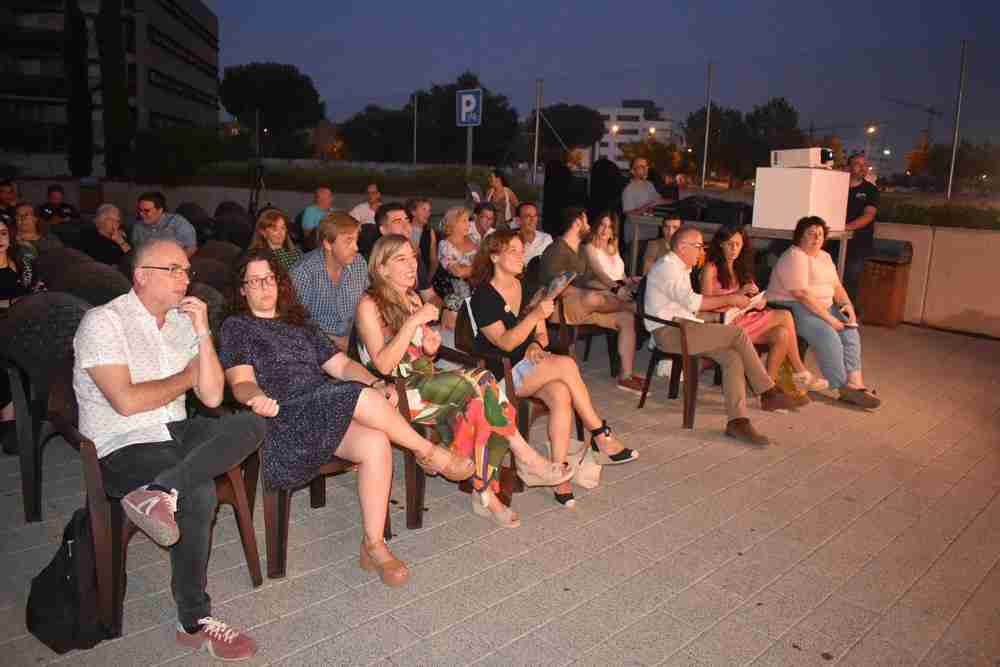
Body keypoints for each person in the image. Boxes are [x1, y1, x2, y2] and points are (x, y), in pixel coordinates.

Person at [220, 249, 473, 587]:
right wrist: (256, 398)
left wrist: (375, 381)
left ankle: (373, 545)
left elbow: (339, 365)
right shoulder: (238, 327)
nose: (265, 287)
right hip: (283, 416)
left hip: (321, 405)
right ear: (242, 288)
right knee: (356, 394)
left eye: (269, 278)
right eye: (254, 281)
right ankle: (428, 452)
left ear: (279, 283)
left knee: (375, 439)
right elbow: (241, 382)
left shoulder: (298, 321)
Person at [72, 239, 263, 660]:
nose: (185, 279)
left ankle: (159, 490)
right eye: (173, 270)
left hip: (174, 430)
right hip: (122, 441)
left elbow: (212, 396)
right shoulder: (103, 322)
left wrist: (202, 332)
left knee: (250, 422)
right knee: (199, 493)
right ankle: (193, 622)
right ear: (142, 276)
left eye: (186, 271)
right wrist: (186, 377)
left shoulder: (182, 322)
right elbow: (125, 401)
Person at [356, 235, 572, 527]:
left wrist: (430, 346)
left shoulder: (411, 298)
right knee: (484, 384)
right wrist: (413, 322)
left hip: (428, 383)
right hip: (401, 395)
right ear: (381, 268)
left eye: (412, 257)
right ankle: (524, 459)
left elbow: (421, 356)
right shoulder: (369, 305)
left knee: (485, 405)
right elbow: (383, 364)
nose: (411, 266)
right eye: (401, 259)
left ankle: (485, 495)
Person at [470, 230, 638, 508]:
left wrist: (536, 342)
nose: (519, 254)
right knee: (567, 364)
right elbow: (505, 341)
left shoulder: (525, 288)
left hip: (528, 365)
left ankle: (559, 476)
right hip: (500, 376)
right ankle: (600, 434)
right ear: (494, 256)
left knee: (561, 393)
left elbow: (542, 336)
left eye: (520, 249)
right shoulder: (483, 296)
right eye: (512, 250)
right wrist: (536, 316)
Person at [644, 226, 802, 446]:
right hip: (669, 333)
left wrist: (720, 312)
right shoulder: (667, 268)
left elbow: (687, 308)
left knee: (732, 357)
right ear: (682, 248)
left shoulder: (680, 267)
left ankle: (737, 421)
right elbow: (693, 302)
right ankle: (767, 391)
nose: (701, 252)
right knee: (737, 334)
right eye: (698, 247)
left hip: (685, 327)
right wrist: (731, 300)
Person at [768, 216, 880, 409]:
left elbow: (836, 286)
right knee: (828, 335)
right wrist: (829, 319)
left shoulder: (825, 257)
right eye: (811, 233)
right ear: (800, 236)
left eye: (820, 234)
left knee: (850, 332)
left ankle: (856, 383)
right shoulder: (795, 256)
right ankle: (843, 387)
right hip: (794, 306)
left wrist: (847, 306)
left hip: (826, 306)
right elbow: (801, 294)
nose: (816, 238)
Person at [700, 225, 827, 391]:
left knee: (782, 334)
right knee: (784, 315)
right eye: (730, 244)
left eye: (738, 244)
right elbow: (705, 303)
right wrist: (739, 293)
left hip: (742, 317)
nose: (734, 249)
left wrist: (757, 300)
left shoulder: (740, 267)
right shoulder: (711, 268)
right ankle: (800, 371)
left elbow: (750, 299)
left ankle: (768, 387)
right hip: (723, 323)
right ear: (721, 244)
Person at [539, 207, 644, 394]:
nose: (590, 226)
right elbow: (555, 287)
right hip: (560, 308)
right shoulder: (556, 250)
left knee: (626, 318)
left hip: (586, 306)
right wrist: (591, 292)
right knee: (594, 298)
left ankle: (626, 376)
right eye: (586, 222)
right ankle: (631, 306)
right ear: (577, 223)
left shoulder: (579, 250)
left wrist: (611, 289)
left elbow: (590, 280)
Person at [290, 213, 368, 352]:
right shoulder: (304, 271)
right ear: (327, 243)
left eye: (356, 240)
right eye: (348, 241)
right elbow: (294, 323)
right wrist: (337, 342)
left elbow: (366, 305)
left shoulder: (359, 263)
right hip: (313, 347)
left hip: (353, 342)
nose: (356, 247)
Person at [843, 153, 880, 300]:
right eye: (858, 164)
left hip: (858, 245)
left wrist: (845, 228)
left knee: (850, 282)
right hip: (833, 244)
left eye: (865, 165)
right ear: (848, 167)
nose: (863, 168)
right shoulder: (837, 186)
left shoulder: (871, 190)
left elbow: (869, 215)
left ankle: (849, 317)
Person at [436, 206, 479, 329]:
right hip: (456, 291)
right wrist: (478, 268)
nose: (468, 224)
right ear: (452, 223)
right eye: (463, 221)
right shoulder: (445, 245)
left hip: (475, 286)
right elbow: (457, 272)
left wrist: (468, 269)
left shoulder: (474, 239)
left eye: (468, 220)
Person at [131, 192, 197, 257]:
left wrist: (175, 264)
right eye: (140, 210)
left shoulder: (178, 223)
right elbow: (137, 252)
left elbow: (191, 248)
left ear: (160, 210)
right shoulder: (138, 227)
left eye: (146, 211)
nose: (141, 214)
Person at [583, 211, 634, 285]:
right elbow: (600, 274)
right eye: (602, 225)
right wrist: (617, 289)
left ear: (613, 231)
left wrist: (631, 282)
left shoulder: (613, 248)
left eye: (609, 227)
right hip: (603, 291)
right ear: (597, 226)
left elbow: (622, 275)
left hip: (619, 289)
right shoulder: (590, 247)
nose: (605, 230)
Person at [248, 208, 302, 272]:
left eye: (283, 228)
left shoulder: (296, 253)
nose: (280, 233)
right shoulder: (257, 257)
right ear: (263, 232)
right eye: (274, 229)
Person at [405, 197, 437, 275]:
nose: (427, 214)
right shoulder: (404, 229)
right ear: (413, 212)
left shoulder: (430, 232)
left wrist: (428, 279)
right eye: (424, 209)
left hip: (422, 276)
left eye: (429, 210)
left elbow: (433, 261)